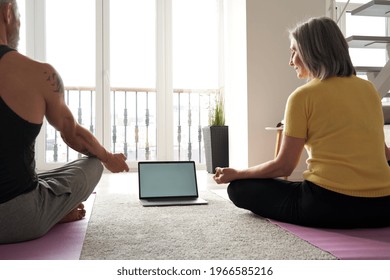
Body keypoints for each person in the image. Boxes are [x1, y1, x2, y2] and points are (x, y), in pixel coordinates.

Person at [214, 16, 390, 229]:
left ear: (312, 51)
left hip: (327, 206)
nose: (291, 61)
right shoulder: (369, 90)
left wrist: (237, 173)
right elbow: (384, 154)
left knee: (239, 188)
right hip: (382, 207)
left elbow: (284, 165)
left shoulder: (303, 96)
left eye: (294, 51)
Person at [0, 0, 129, 243]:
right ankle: (54, 214)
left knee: (39, 176)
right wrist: (109, 157)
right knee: (93, 165)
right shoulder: (39, 73)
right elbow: (73, 134)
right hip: (20, 218)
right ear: (7, 13)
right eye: (18, 16)